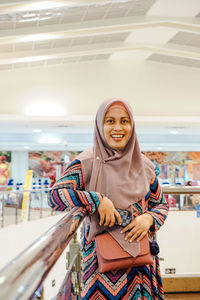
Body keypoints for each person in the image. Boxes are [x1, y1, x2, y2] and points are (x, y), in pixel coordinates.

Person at [48, 99, 169, 300]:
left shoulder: (144, 165)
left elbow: (160, 204)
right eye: (110, 121)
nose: (118, 128)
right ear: (99, 126)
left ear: (132, 126)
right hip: (102, 266)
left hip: (141, 263)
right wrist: (96, 200)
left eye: (124, 121)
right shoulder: (86, 163)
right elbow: (55, 196)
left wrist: (149, 219)